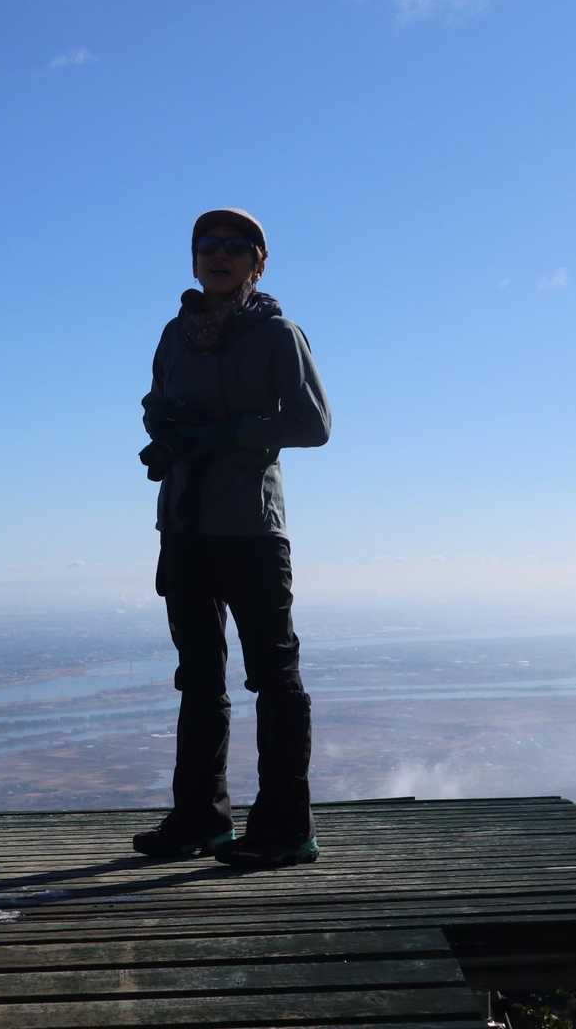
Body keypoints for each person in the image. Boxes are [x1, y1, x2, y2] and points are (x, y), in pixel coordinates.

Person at [134, 208, 331, 868]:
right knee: (198, 677)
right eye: (207, 246)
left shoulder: (277, 334)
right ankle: (200, 820)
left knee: (274, 677)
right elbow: (155, 402)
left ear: (257, 263)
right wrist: (167, 431)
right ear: (194, 261)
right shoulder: (174, 335)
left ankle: (286, 829)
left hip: (250, 526)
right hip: (184, 524)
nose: (219, 255)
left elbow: (314, 424)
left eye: (235, 246)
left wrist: (229, 433)